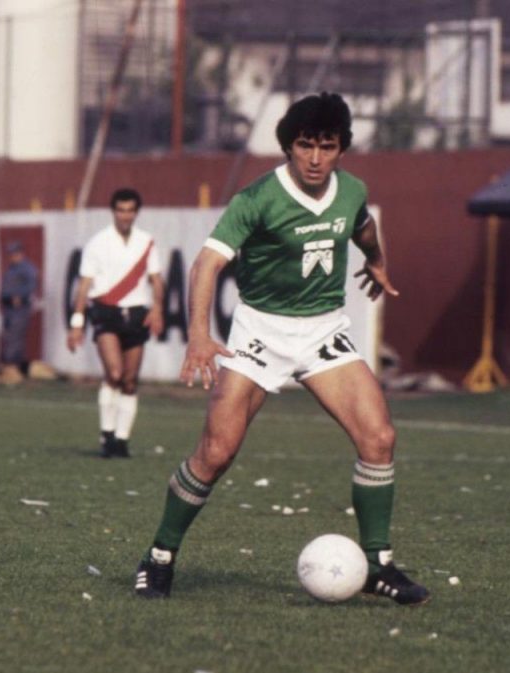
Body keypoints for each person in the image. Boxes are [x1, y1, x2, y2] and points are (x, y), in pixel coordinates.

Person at [133, 92, 430, 606]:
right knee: (216, 451)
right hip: (259, 334)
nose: (315, 158)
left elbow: (362, 226)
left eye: (328, 147)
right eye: (305, 146)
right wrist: (201, 335)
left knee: (379, 437)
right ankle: (159, 556)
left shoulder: (351, 190)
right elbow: (206, 265)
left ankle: (379, 565)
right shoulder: (257, 198)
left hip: (322, 332)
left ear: (342, 150)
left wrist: (377, 259)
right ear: (289, 146)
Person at [67, 188, 164, 459]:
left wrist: (157, 309)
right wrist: (77, 323)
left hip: (135, 315)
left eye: (130, 210)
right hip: (106, 312)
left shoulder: (146, 242)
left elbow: (156, 279)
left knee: (130, 381)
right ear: (113, 212)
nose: (125, 216)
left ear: (136, 213)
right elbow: (84, 285)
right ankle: (107, 433)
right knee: (115, 374)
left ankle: (122, 440)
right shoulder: (98, 243)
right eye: (120, 210)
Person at [0, 241, 39, 379]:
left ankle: (12, 367)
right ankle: (10, 367)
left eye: (14, 253)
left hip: (20, 308)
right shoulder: (11, 268)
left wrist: (21, 296)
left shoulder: (27, 268)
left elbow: (32, 284)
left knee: (15, 336)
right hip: (9, 307)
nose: (12, 256)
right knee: (9, 335)